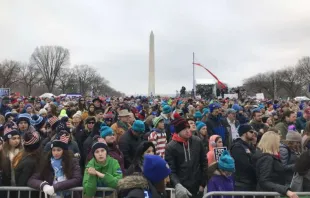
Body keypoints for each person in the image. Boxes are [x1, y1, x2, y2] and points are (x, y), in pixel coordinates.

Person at [165, 113, 207, 198]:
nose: (188, 130)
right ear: (178, 131)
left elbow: (204, 163)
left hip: (197, 187)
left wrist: (203, 184)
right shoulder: (171, 147)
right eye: (184, 129)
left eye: (188, 127)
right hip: (182, 189)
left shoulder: (197, 141)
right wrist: (177, 185)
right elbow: (171, 170)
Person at [253, 131, 299, 198]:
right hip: (268, 194)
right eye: (278, 142)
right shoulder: (267, 158)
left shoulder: (266, 156)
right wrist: (285, 190)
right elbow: (264, 181)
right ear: (272, 143)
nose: (279, 144)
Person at [230, 124, 256, 192]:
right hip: (242, 183)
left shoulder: (250, 145)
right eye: (251, 132)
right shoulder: (237, 147)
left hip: (251, 181)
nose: (253, 134)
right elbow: (244, 165)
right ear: (244, 133)